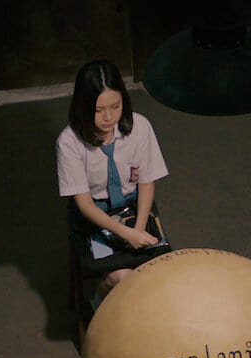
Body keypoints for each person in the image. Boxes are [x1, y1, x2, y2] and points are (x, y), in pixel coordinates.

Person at [56, 59, 170, 305]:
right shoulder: (69, 142)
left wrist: (138, 228)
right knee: (122, 278)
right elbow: (85, 205)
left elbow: (146, 182)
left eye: (115, 106)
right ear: (82, 106)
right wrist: (126, 234)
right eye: (98, 110)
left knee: (163, 271)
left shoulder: (140, 126)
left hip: (134, 206)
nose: (108, 117)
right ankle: (99, 306)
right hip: (94, 214)